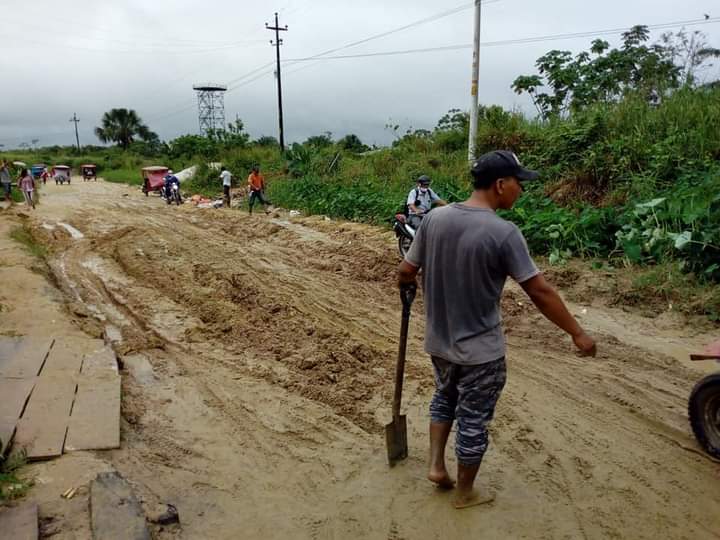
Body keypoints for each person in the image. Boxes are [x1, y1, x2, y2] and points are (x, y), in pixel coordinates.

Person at [397, 150, 597, 510]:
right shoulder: (503, 233)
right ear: (500, 185)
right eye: (519, 183)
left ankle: (436, 466)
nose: (521, 190)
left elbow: (406, 270)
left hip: (439, 345)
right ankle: (465, 493)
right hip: (481, 353)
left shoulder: (434, 220)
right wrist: (576, 332)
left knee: (444, 397)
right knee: (473, 418)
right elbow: (538, 290)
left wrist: (409, 286)